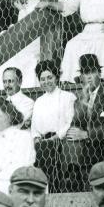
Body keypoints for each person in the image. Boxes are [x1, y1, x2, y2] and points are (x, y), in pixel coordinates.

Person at [63, 54, 104, 191]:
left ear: (99, 73)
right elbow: (75, 124)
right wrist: (84, 102)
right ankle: (72, 175)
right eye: (85, 73)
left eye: (92, 72)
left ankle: (75, 175)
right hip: (87, 150)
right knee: (70, 138)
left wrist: (87, 134)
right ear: (81, 77)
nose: (89, 77)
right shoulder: (80, 98)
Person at [31, 60, 77, 193]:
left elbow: (70, 121)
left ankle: (54, 191)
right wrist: (36, 139)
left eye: (49, 77)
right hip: (42, 142)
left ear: (56, 77)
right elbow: (34, 128)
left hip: (61, 141)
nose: (46, 82)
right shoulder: (39, 101)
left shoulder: (68, 97)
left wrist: (56, 137)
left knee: (48, 152)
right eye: (42, 79)